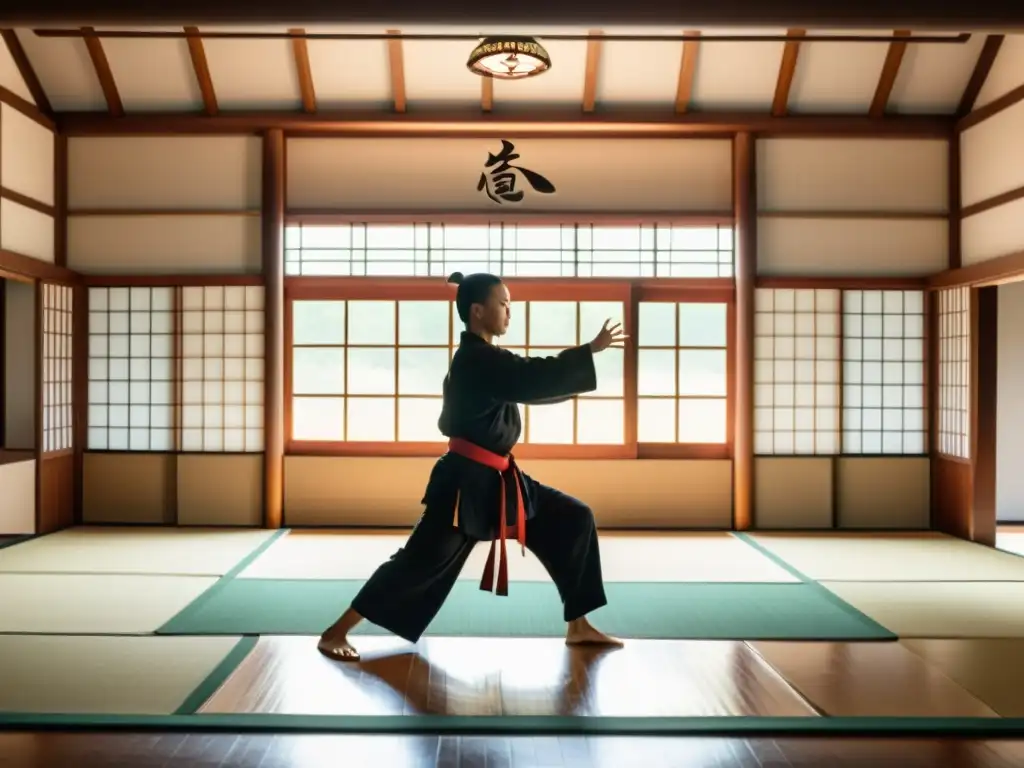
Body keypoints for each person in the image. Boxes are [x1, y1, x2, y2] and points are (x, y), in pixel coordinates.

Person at [317, 271, 627, 661]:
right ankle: (335, 632)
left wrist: (576, 368)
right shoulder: (477, 359)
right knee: (418, 562)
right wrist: (587, 353)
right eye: (503, 304)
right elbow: (531, 377)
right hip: (465, 485)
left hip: (500, 480)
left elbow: (530, 386)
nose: (510, 312)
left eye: (510, 304)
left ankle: (578, 626)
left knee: (573, 518)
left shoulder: (486, 359)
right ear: (478, 312)